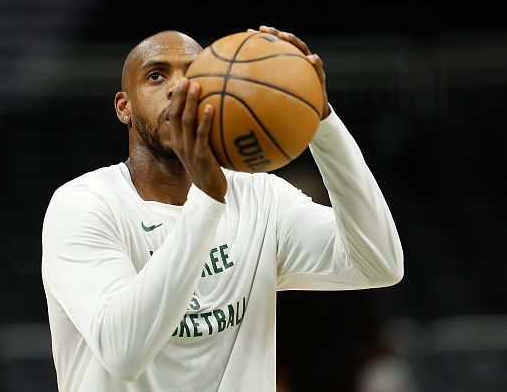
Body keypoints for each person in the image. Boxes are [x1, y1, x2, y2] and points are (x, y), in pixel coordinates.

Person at [41, 25, 404, 392]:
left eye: (194, 75)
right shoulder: (83, 204)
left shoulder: (261, 198)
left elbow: (378, 263)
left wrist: (321, 119)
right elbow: (123, 353)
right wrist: (207, 199)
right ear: (125, 107)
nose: (180, 88)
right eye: (156, 76)